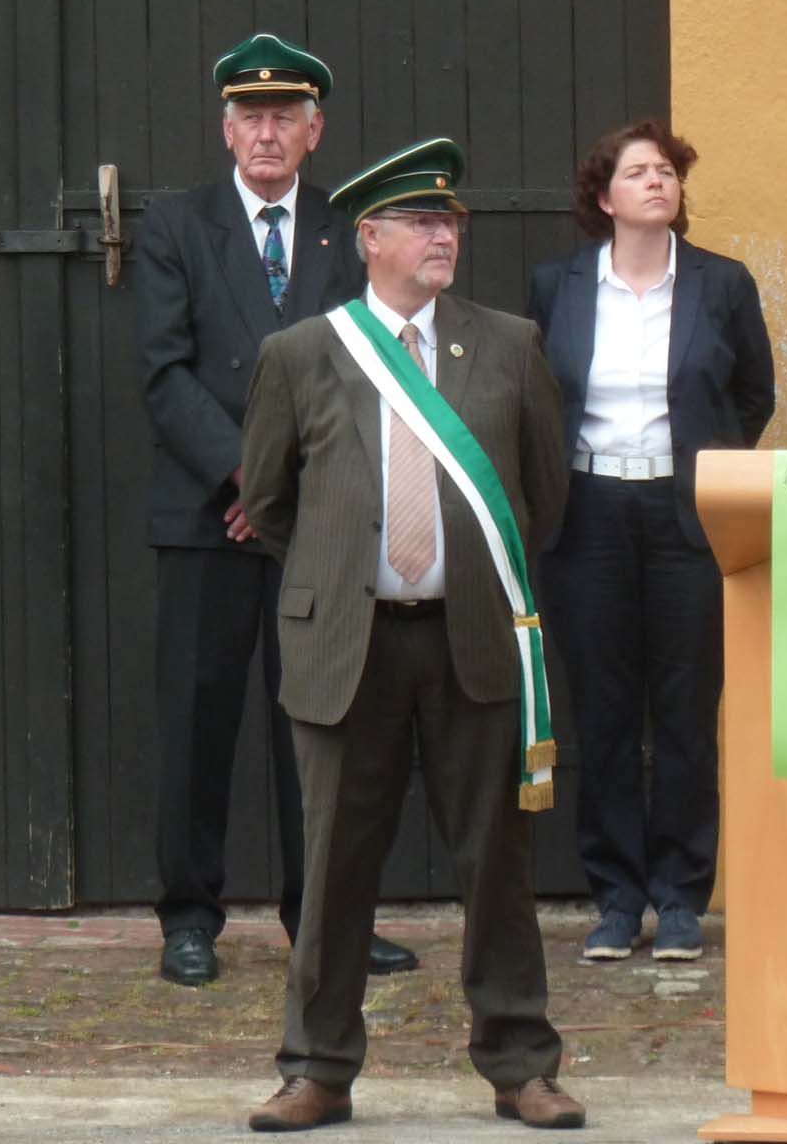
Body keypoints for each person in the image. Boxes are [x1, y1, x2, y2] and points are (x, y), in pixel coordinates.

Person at [239, 139, 584, 1132]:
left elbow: (543, 495)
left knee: (497, 863)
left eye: (451, 222)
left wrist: (457, 571)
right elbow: (268, 502)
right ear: (370, 239)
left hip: (471, 637)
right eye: (423, 222)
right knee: (334, 868)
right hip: (349, 646)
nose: (444, 236)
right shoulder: (302, 353)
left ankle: (521, 1064)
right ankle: (317, 1068)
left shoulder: (508, 343)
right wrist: (352, 570)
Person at [135, 33, 416, 988]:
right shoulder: (176, 225)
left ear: (314, 130)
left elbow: (366, 372)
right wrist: (246, 483)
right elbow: (164, 373)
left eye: (284, 117)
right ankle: (189, 919)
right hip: (207, 520)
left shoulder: (348, 229)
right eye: (250, 117)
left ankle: (327, 919)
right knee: (196, 724)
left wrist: (283, 494)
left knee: (324, 729)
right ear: (226, 130)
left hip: (313, 522)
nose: (267, 132)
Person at [529, 120, 775, 964]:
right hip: (588, 512)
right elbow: (539, 396)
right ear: (604, 197)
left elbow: (753, 394)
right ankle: (614, 898)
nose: (657, 182)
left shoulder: (722, 283)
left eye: (667, 171)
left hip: (685, 515)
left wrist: (702, 466)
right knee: (601, 711)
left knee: (684, 710)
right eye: (638, 172)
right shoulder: (558, 284)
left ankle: (678, 899)